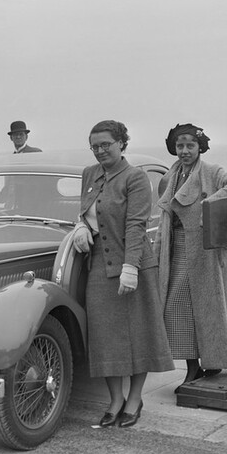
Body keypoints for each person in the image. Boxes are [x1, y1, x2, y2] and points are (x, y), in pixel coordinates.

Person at [72, 120, 173, 428]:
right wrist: (79, 226)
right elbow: (86, 211)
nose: (100, 151)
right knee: (105, 338)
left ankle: (134, 398)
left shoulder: (136, 177)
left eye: (106, 145)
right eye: (95, 146)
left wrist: (131, 268)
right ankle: (115, 399)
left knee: (137, 335)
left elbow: (135, 224)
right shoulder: (90, 174)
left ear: (122, 144)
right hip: (100, 266)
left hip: (134, 264)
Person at [154, 123, 227, 388]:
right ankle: (195, 366)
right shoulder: (170, 176)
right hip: (175, 247)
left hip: (203, 250)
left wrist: (208, 206)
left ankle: (201, 366)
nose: (184, 151)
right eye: (179, 146)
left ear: (200, 147)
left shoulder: (211, 171)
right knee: (178, 308)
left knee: (199, 308)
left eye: (190, 145)